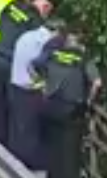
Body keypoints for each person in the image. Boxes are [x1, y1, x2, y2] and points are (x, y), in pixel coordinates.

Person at [32, 24, 101, 178]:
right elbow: (97, 83)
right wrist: (88, 101)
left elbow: (36, 64)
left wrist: (46, 82)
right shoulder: (82, 57)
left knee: (54, 148)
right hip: (71, 109)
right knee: (70, 153)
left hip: (50, 105)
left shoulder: (54, 52)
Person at [0, 0, 53, 149]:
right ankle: (4, 148)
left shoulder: (13, 4)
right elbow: (32, 48)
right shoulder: (35, 20)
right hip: (8, 63)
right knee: (10, 108)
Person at [8, 17, 66, 170]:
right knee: (31, 130)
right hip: (30, 89)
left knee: (18, 127)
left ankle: (15, 160)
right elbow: (34, 66)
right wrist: (44, 84)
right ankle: (29, 165)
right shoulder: (47, 42)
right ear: (57, 32)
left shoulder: (27, 35)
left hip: (15, 83)